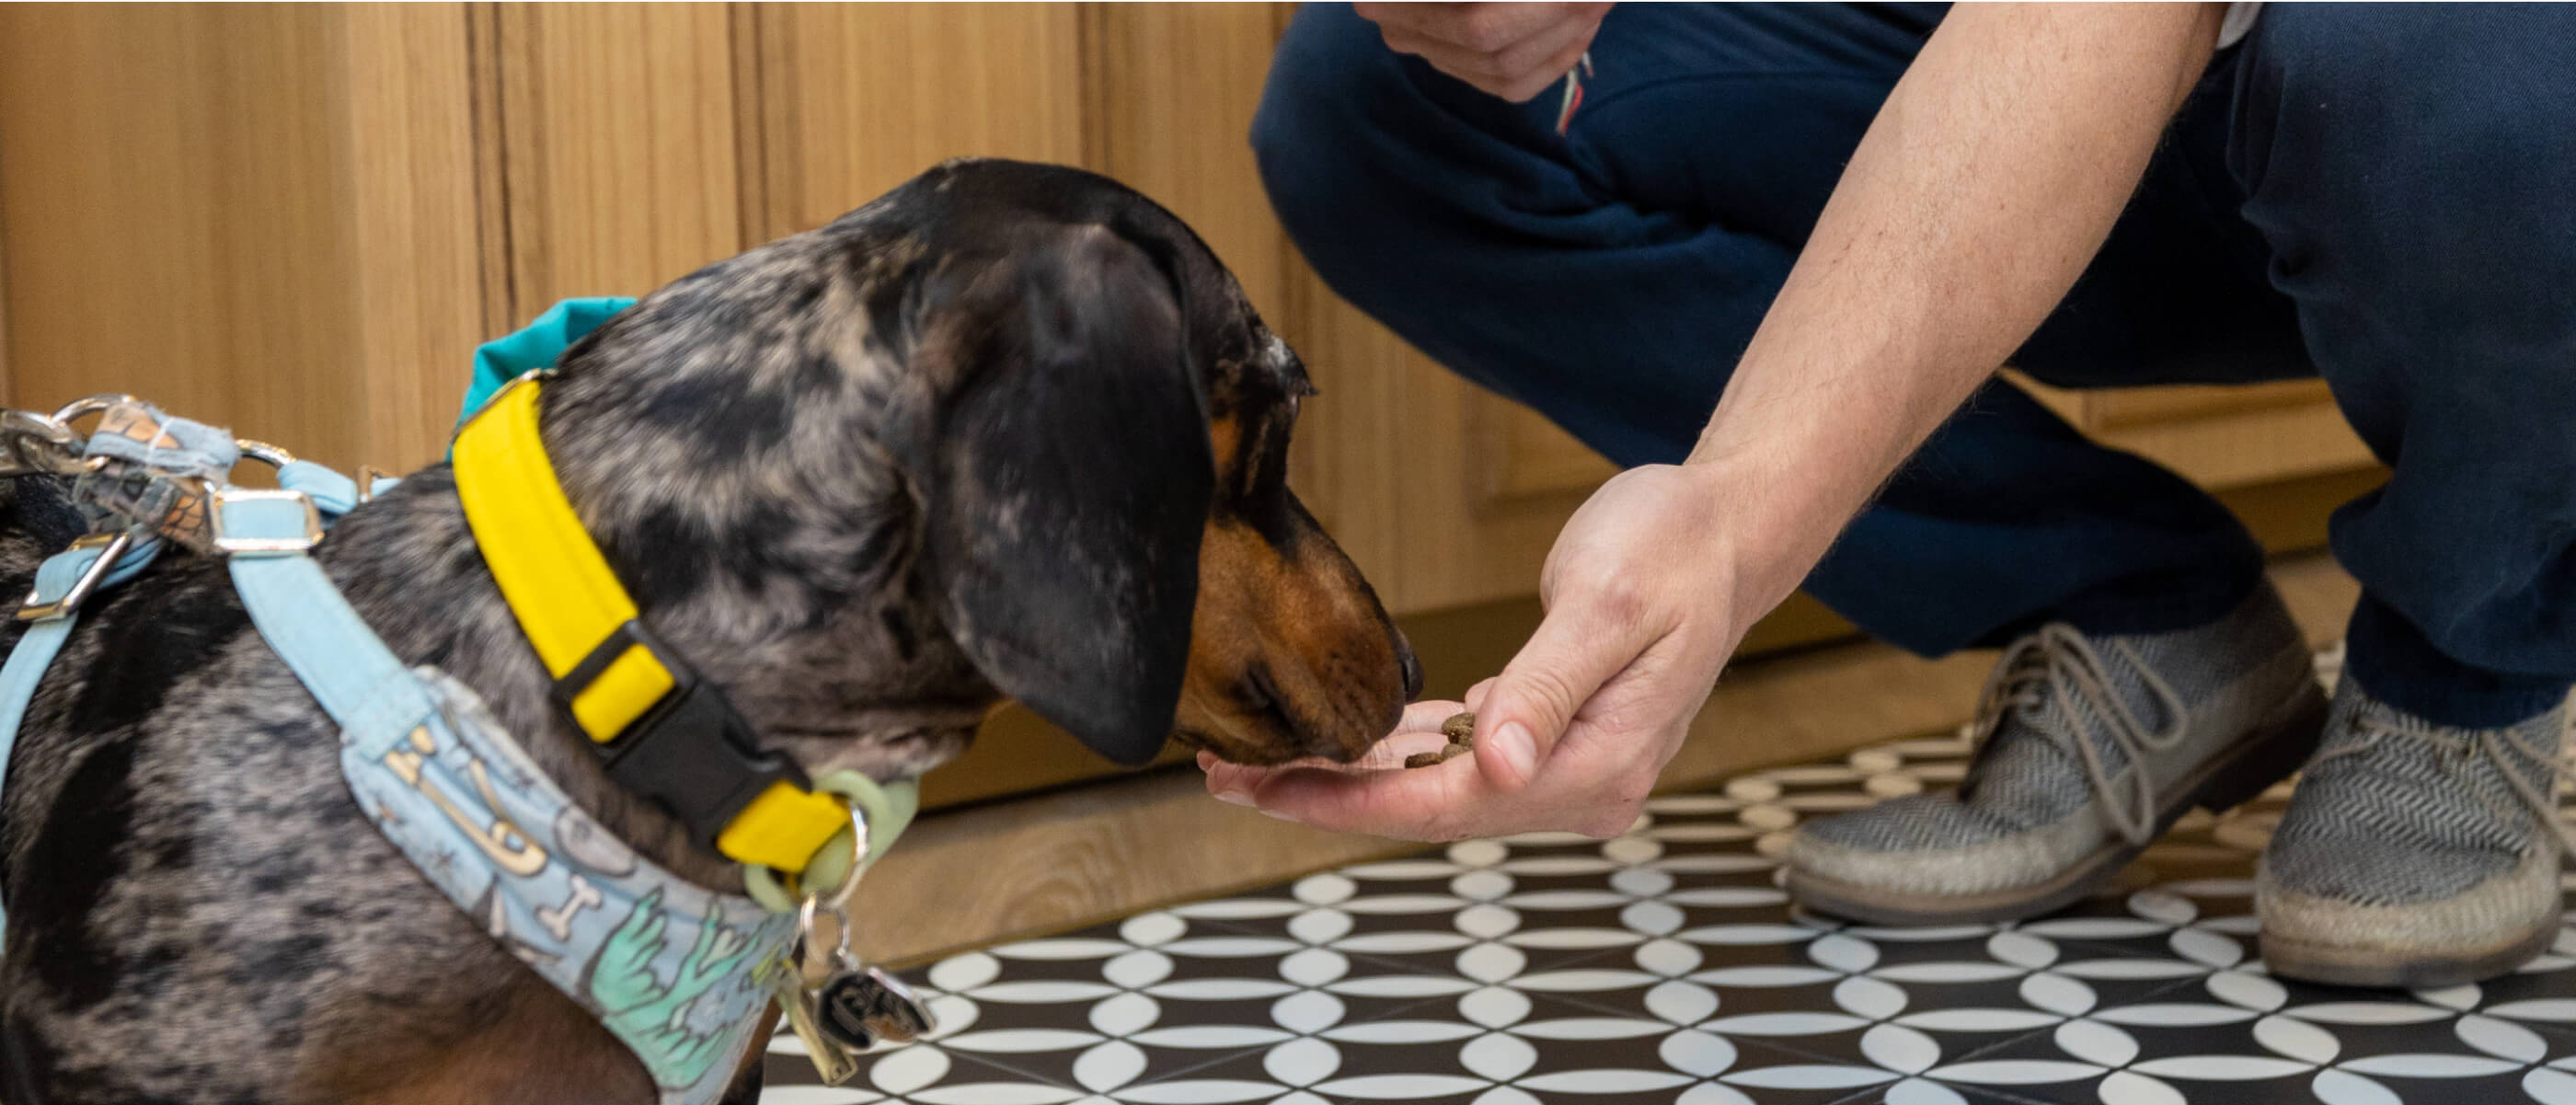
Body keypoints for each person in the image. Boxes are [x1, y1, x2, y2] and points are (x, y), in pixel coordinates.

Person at [1200, 1, 2576, 987]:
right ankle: (2146, 618)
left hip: (2428, 112)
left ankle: (2468, 659)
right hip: (2027, 69)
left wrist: (1738, 520)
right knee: (1372, 97)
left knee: (2435, 49)